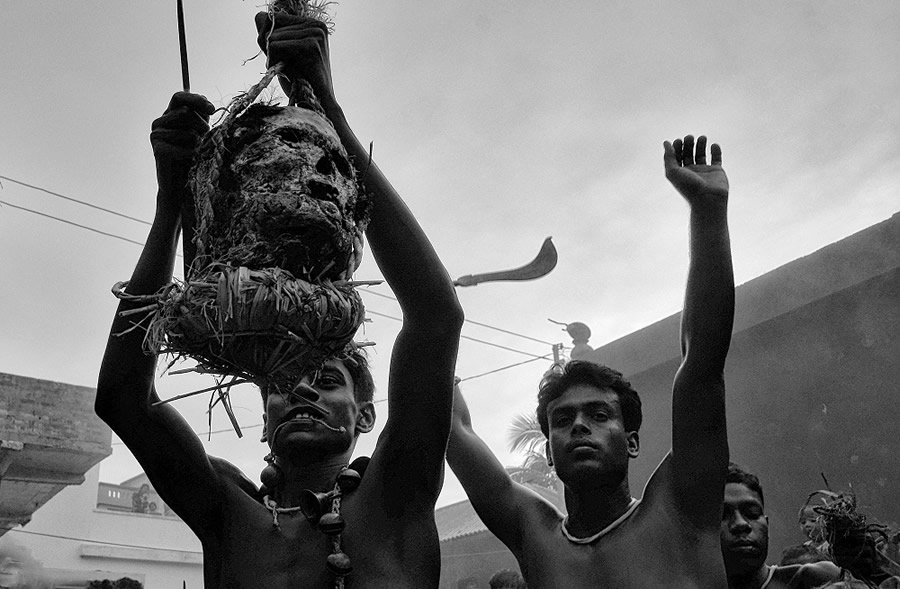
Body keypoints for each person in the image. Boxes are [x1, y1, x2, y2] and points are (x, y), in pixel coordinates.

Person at [96, 14, 464, 589]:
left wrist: (329, 112)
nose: (302, 390)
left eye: (327, 380)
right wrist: (173, 201)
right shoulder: (224, 510)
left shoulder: (398, 491)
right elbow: (123, 399)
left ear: (366, 415)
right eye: (283, 382)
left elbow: (435, 315)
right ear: (262, 423)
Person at [447, 134, 735, 588]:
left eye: (599, 415)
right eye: (562, 419)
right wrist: (436, 318)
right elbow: (455, 430)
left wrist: (708, 214)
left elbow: (702, 362)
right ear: (547, 449)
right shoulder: (535, 535)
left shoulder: (681, 508)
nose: (579, 426)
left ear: (633, 442)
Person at [721, 463, 840, 589]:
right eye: (722, 516)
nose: (741, 524)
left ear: (767, 524)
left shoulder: (816, 580)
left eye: (752, 513)